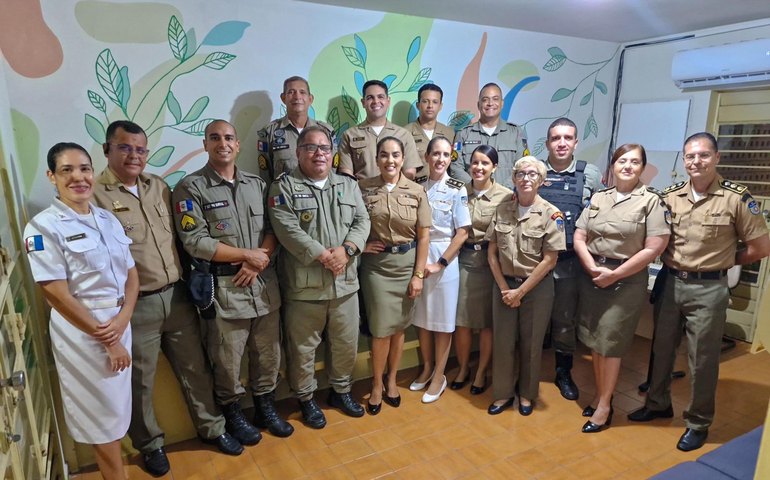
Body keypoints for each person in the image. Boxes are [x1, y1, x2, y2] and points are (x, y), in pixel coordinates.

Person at [91, 121, 242, 475]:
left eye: (140, 149)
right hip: (135, 305)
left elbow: (183, 238)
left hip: (176, 296)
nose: (134, 155)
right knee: (141, 381)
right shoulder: (95, 197)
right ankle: (151, 445)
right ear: (107, 150)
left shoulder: (158, 187)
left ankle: (212, 428)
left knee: (196, 369)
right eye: (125, 148)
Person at [628, 132, 770, 451]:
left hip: (709, 289)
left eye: (704, 155)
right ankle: (657, 403)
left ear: (716, 158)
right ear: (684, 159)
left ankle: (698, 422)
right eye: (690, 156)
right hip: (671, 281)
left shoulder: (736, 198)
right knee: (661, 348)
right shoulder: (669, 195)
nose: (696, 161)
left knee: (702, 359)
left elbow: (761, 247)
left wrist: (726, 260)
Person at [173, 120, 293, 445]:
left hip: (264, 286)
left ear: (237, 145)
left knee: (268, 355)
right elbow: (195, 241)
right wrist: (247, 255)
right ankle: (233, 413)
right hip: (226, 293)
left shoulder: (257, 183)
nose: (222, 143)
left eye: (228, 138)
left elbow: (274, 229)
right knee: (227, 361)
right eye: (215, 138)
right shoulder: (191, 188)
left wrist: (259, 260)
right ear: (205, 144)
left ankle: (266, 407)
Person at [24, 142, 138, 480]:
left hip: (118, 324)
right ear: (52, 177)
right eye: (67, 170)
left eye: (84, 169)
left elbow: (131, 275)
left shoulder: (106, 218)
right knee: (100, 416)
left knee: (116, 412)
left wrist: (123, 320)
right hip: (84, 337)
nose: (78, 177)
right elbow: (56, 294)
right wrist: (108, 338)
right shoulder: (43, 228)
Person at [267, 126, 371, 427]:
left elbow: (362, 220)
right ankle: (307, 398)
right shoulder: (283, 187)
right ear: (299, 152)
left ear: (333, 152)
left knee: (346, 343)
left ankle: (341, 390)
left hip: (345, 283)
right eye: (311, 148)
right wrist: (322, 254)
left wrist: (348, 249)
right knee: (302, 348)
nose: (319, 153)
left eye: (324, 148)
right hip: (305, 286)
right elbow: (286, 227)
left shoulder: (347, 185)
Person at [572, 144, 670, 433]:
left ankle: (604, 407)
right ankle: (602, 395)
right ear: (612, 166)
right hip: (593, 276)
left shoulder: (651, 201)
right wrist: (591, 266)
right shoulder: (599, 198)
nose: (627, 166)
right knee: (596, 343)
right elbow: (579, 235)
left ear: (642, 168)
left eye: (635, 162)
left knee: (611, 344)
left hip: (625, 281)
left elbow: (655, 247)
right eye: (622, 161)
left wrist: (614, 275)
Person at [486, 156, 565, 416]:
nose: (526, 179)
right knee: (504, 342)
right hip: (504, 285)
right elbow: (492, 253)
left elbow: (550, 259)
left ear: (541, 181)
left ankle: (527, 395)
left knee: (531, 345)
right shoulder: (502, 209)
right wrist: (504, 289)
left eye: (532, 174)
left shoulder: (551, 213)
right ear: (514, 178)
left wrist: (520, 292)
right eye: (521, 174)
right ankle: (503, 393)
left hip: (536, 289)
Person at [359, 136, 431, 414]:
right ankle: (376, 384)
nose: (390, 160)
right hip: (376, 268)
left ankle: (392, 380)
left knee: (399, 327)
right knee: (380, 330)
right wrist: (361, 246)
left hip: (406, 265)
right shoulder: (363, 188)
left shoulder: (416, 191)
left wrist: (419, 275)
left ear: (403, 159)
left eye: (396, 155)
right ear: (376, 159)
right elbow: (351, 224)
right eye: (384, 155)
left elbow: (424, 237)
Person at [538, 117, 604, 402]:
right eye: (555, 138)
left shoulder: (588, 174)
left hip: (569, 262)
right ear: (547, 142)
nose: (561, 143)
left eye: (567, 137)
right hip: (537, 260)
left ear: (576, 142)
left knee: (564, 320)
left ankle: (563, 371)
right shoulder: (535, 171)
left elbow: (599, 215)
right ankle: (526, 371)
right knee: (533, 318)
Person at [409, 136, 471, 403]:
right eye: (436, 154)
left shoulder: (458, 189)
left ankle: (440, 375)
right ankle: (426, 367)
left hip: (445, 259)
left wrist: (441, 262)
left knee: (443, 322)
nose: (440, 159)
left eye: (446, 155)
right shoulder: (417, 186)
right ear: (427, 156)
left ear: (450, 158)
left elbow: (462, 233)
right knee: (422, 317)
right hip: (420, 255)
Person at [453, 145, 513, 394]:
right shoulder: (458, 192)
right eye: (475, 162)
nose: (479, 168)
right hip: (464, 260)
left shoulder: (506, 196)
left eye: (485, 163)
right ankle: (464, 367)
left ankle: (481, 371)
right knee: (462, 321)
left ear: (495, 167)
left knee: (488, 322)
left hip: (492, 264)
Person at [337, 80, 422, 180]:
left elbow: (409, 173)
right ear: (363, 103)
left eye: (380, 97)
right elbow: (346, 174)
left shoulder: (403, 134)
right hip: (361, 193)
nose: (376, 101)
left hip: (395, 194)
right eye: (370, 98)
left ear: (388, 101)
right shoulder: (349, 135)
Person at [256, 76, 336, 182]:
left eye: (302, 92)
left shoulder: (326, 132)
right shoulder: (269, 132)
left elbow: (334, 172)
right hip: (285, 195)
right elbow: (265, 177)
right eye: (291, 92)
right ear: (283, 98)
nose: (297, 96)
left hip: (320, 196)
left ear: (310, 99)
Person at [452, 82, 528, 189]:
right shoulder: (463, 134)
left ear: (502, 103)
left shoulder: (515, 133)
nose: (490, 103)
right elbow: (455, 167)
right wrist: (476, 188)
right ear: (478, 105)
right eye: (485, 99)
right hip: (472, 199)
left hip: (507, 199)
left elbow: (523, 165)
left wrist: (501, 191)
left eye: (495, 99)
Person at [404, 84, 456, 182]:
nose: (430, 106)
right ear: (418, 105)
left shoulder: (449, 133)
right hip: (416, 190)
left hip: (443, 191)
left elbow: (454, 166)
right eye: (425, 101)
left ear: (440, 106)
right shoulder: (405, 133)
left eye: (435, 102)